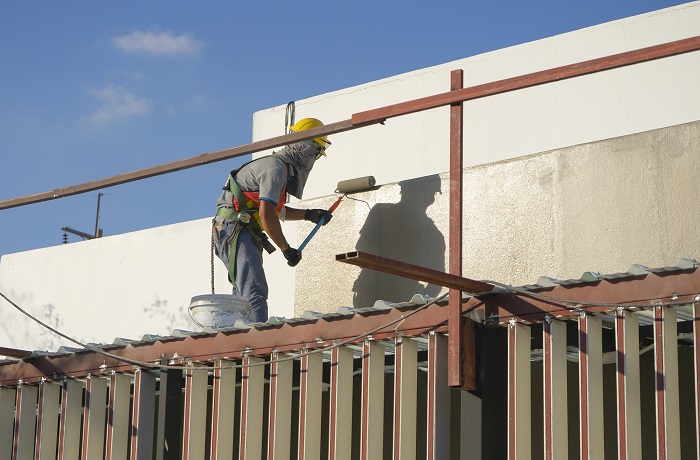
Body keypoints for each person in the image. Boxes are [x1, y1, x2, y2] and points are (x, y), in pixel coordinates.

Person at [213, 118, 333, 323]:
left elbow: (275, 211)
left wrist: (308, 214)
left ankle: (240, 339)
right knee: (254, 292)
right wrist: (286, 249)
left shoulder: (278, 169)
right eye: (316, 152)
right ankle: (257, 347)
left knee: (243, 295)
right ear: (306, 147)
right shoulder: (275, 169)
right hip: (235, 228)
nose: (315, 158)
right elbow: (266, 215)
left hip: (235, 228)